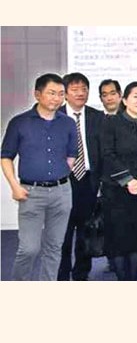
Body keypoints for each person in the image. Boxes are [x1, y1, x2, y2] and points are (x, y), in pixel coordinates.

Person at [1, 74, 77, 280]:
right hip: (30, 192)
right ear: (37, 94)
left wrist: (59, 178)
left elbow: (71, 156)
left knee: (54, 247)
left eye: (61, 94)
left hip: (62, 192)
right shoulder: (20, 123)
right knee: (29, 249)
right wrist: (14, 186)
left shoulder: (69, 123)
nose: (57, 98)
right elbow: (6, 157)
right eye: (52, 93)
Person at [100, 82, 137, 280]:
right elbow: (107, 155)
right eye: (136, 96)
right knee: (118, 241)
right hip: (115, 191)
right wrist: (127, 180)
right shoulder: (111, 123)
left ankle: (133, 280)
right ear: (125, 100)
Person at [58, 72, 105, 281]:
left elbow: (104, 152)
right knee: (62, 233)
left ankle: (81, 274)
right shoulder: (55, 116)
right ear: (65, 93)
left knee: (87, 232)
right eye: (75, 89)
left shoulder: (97, 117)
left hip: (89, 181)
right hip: (62, 182)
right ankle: (61, 274)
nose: (80, 93)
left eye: (84, 89)